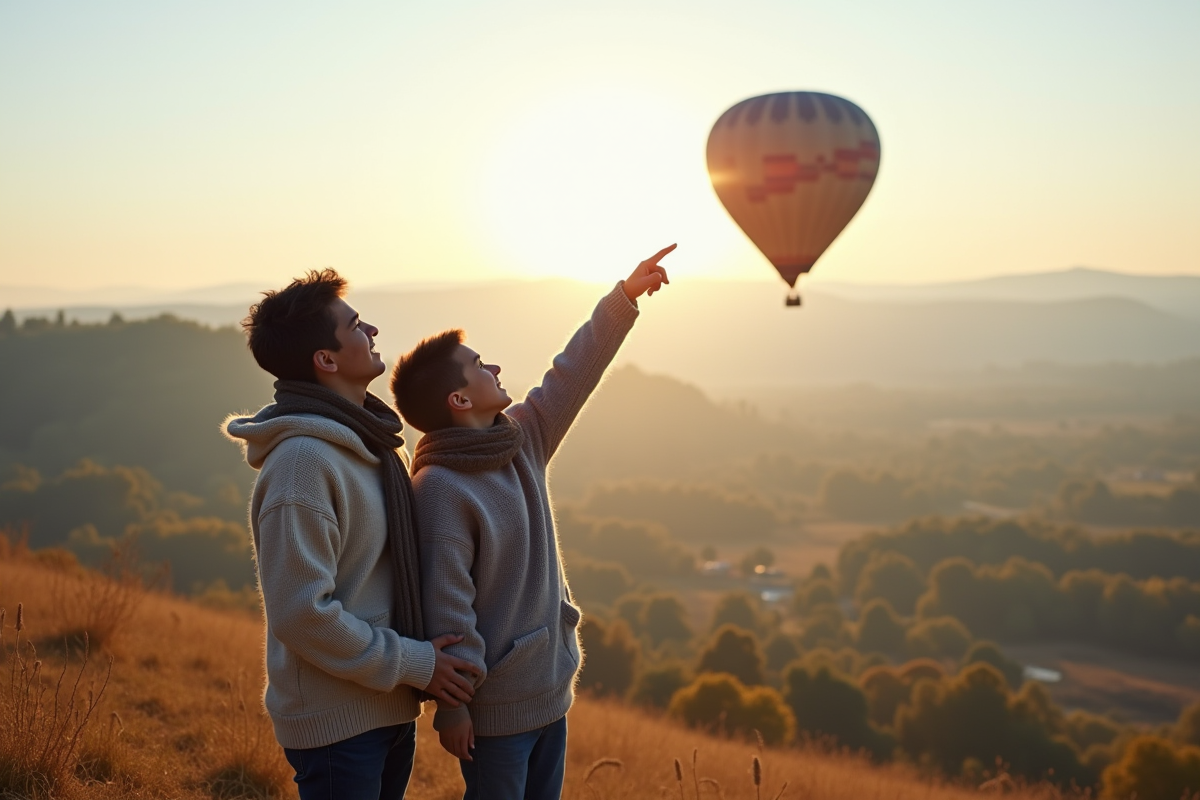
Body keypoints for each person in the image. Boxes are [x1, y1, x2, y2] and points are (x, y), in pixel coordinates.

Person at [390, 245, 675, 800]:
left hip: (551, 689)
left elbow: (572, 374)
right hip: (496, 711)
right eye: (478, 366)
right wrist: (453, 709)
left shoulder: (523, 439)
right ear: (459, 398)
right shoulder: (440, 489)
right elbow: (449, 608)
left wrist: (623, 298)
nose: (493, 367)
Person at [224, 268, 481, 800]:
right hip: (337, 720)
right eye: (357, 325)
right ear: (326, 360)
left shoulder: (377, 446)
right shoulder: (302, 463)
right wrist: (417, 662)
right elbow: (301, 613)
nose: (373, 332)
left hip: (384, 704)